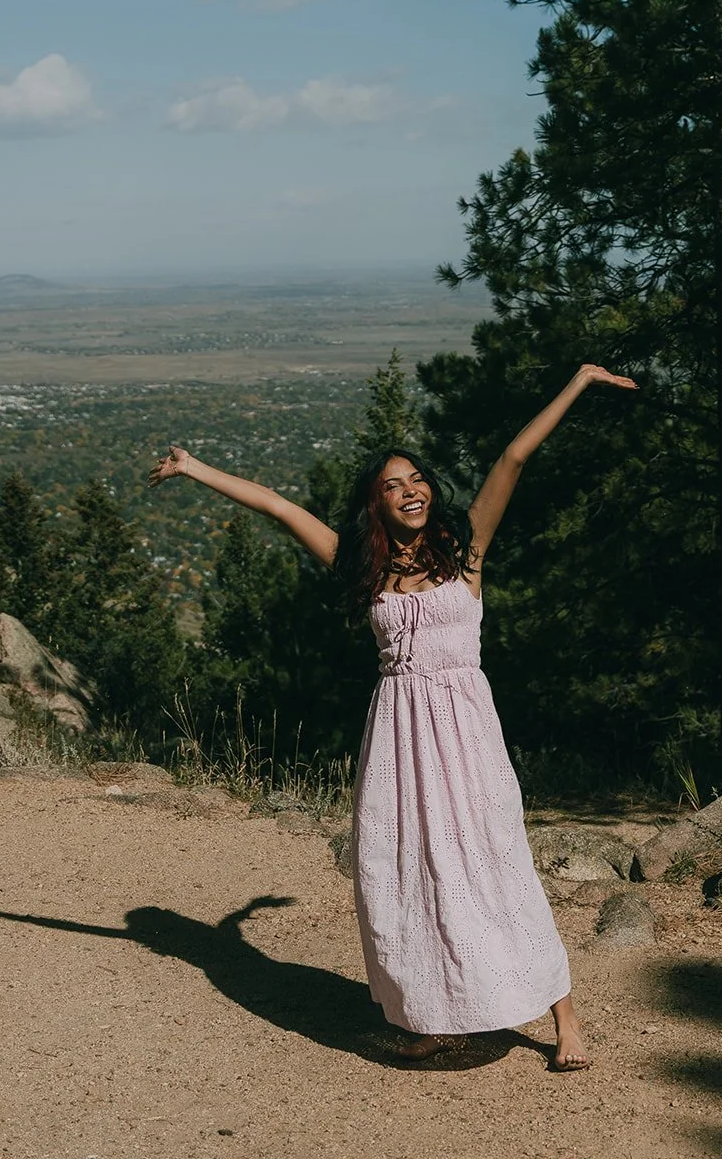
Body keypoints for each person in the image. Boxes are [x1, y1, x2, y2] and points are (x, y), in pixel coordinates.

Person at [149, 362, 637, 1071]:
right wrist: (195, 468)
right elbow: (280, 509)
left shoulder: (467, 551)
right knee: (406, 871)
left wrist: (581, 381)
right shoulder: (361, 565)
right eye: (392, 486)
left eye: (417, 481)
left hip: (466, 732)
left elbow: (514, 457)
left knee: (497, 864)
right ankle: (432, 1016)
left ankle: (563, 1017)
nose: (410, 492)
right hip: (399, 734)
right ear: (375, 504)